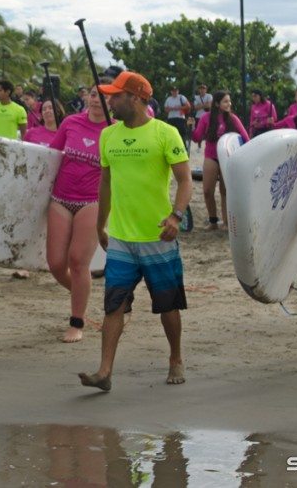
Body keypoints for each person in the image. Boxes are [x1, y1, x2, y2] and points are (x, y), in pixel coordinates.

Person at [78, 71, 192, 391]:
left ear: (136, 99)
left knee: (167, 305)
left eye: (115, 96)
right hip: (121, 238)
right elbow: (105, 183)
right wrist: (101, 224)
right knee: (114, 303)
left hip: (158, 236)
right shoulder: (108, 136)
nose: (109, 101)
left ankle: (175, 358)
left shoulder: (165, 133)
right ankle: (104, 372)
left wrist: (176, 216)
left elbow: (185, 181)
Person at [46, 84, 109, 343]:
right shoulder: (71, 122)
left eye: (104, 97)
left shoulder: (114, 131)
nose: (96, 101)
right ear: (87, 97)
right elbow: (49, 156)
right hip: (60, 199)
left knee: (77, 262)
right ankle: (82, 293)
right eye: (94, 95)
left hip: (91, 201)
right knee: (56, 264)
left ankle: (77, 321)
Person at [192, 91, 248, 229]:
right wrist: (191, 126)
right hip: (211, 156)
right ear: (217, 104)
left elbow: (245, 138)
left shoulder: (233, 119)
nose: (229, 104)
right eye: (225, 101)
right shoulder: (206, 118)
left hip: (228, 158)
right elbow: (197, 138)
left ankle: (227, 222)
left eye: (229, 101)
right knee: (207, 190)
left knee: (225, 191)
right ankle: (213, 221)